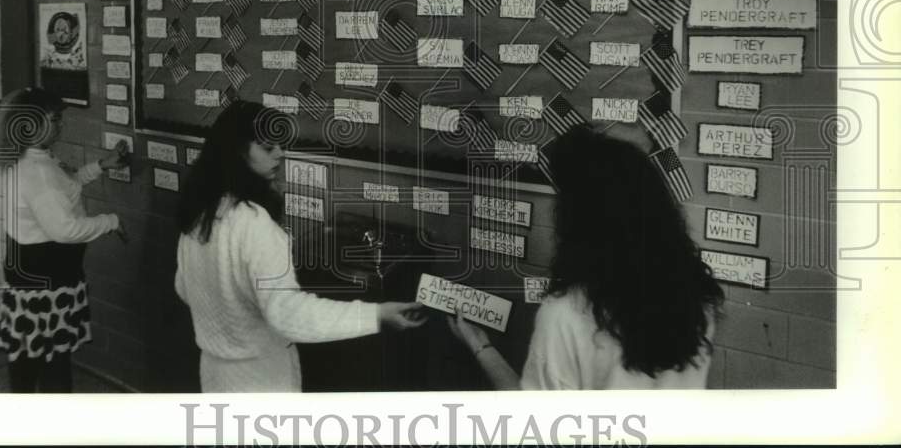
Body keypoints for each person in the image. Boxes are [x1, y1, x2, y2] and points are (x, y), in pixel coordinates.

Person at [174, 100, 426, 392]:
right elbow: (288, 316)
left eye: (280, 145)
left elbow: (184, 288)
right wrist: (375, 315)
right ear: (236, 154)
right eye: (268, 148)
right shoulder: (252, 223)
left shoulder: (200, 213)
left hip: (215, 373)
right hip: (261, 380)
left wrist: (232, 314)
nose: (280, 154)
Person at [448, 125, 724, 390]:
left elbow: (536, 422)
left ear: (578, 224)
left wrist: (479, 345)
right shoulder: (698, 299)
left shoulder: (565, 315)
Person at [0, 87, 129, 392]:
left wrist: (100, 167)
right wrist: (110, 222)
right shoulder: (38, 173)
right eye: (53, 120)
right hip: (48, 281)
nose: (60, 126)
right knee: (54, 362)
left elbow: (64, 187)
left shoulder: (27, 158)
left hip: (27, 277)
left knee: (28, 357)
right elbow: (65, 230)